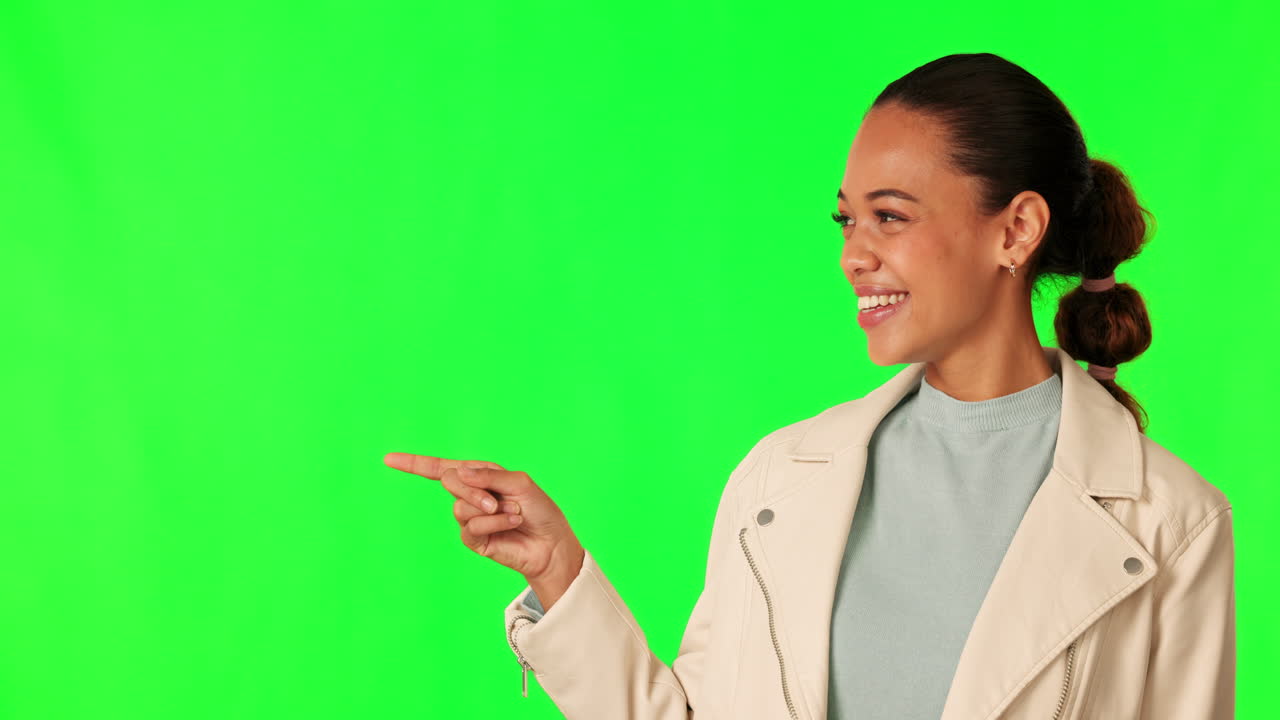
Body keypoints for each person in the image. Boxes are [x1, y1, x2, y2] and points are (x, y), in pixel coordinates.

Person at [383, 52, 1233, 719]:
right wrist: (559, 572)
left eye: (890, 216)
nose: (852, 255)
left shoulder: (1174, 523)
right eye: (847, 220)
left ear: (1015, 230)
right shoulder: (782, 476)